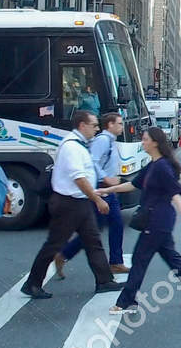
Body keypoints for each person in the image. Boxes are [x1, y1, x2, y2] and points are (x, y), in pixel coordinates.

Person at [21, 110, 117, 300]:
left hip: (79, 201)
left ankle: (104, 281)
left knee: (93, 241)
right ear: (82, 125)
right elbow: (78, 178)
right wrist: (97, 199)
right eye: (94, 125)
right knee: (54, 244)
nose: (97, 129)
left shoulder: (80, 145)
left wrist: (94, 194)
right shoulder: (71, 147)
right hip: (68, 203)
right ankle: (32, 284)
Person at [106, 127, 181, 313]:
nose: (142, 142)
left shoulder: (161, 167)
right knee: (172, 258)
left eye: (145, 139)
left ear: (155, 143)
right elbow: (133, 184)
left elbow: (174, 192)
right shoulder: (153, 164)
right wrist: (107, 190)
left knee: (139, 260)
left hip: (157, 220)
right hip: (158, 220)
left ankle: (127, 302)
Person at [54, 111, 131, 279]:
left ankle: (115, 262)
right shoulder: (103, 140)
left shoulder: (110, 141)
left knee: (113, 225)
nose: (122, 126)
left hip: (108, 189)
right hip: (101, 188)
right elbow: (93, 161)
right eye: (119, 123)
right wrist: (106, 178)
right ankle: (65, 254)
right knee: (94, 230)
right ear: (110, 124)